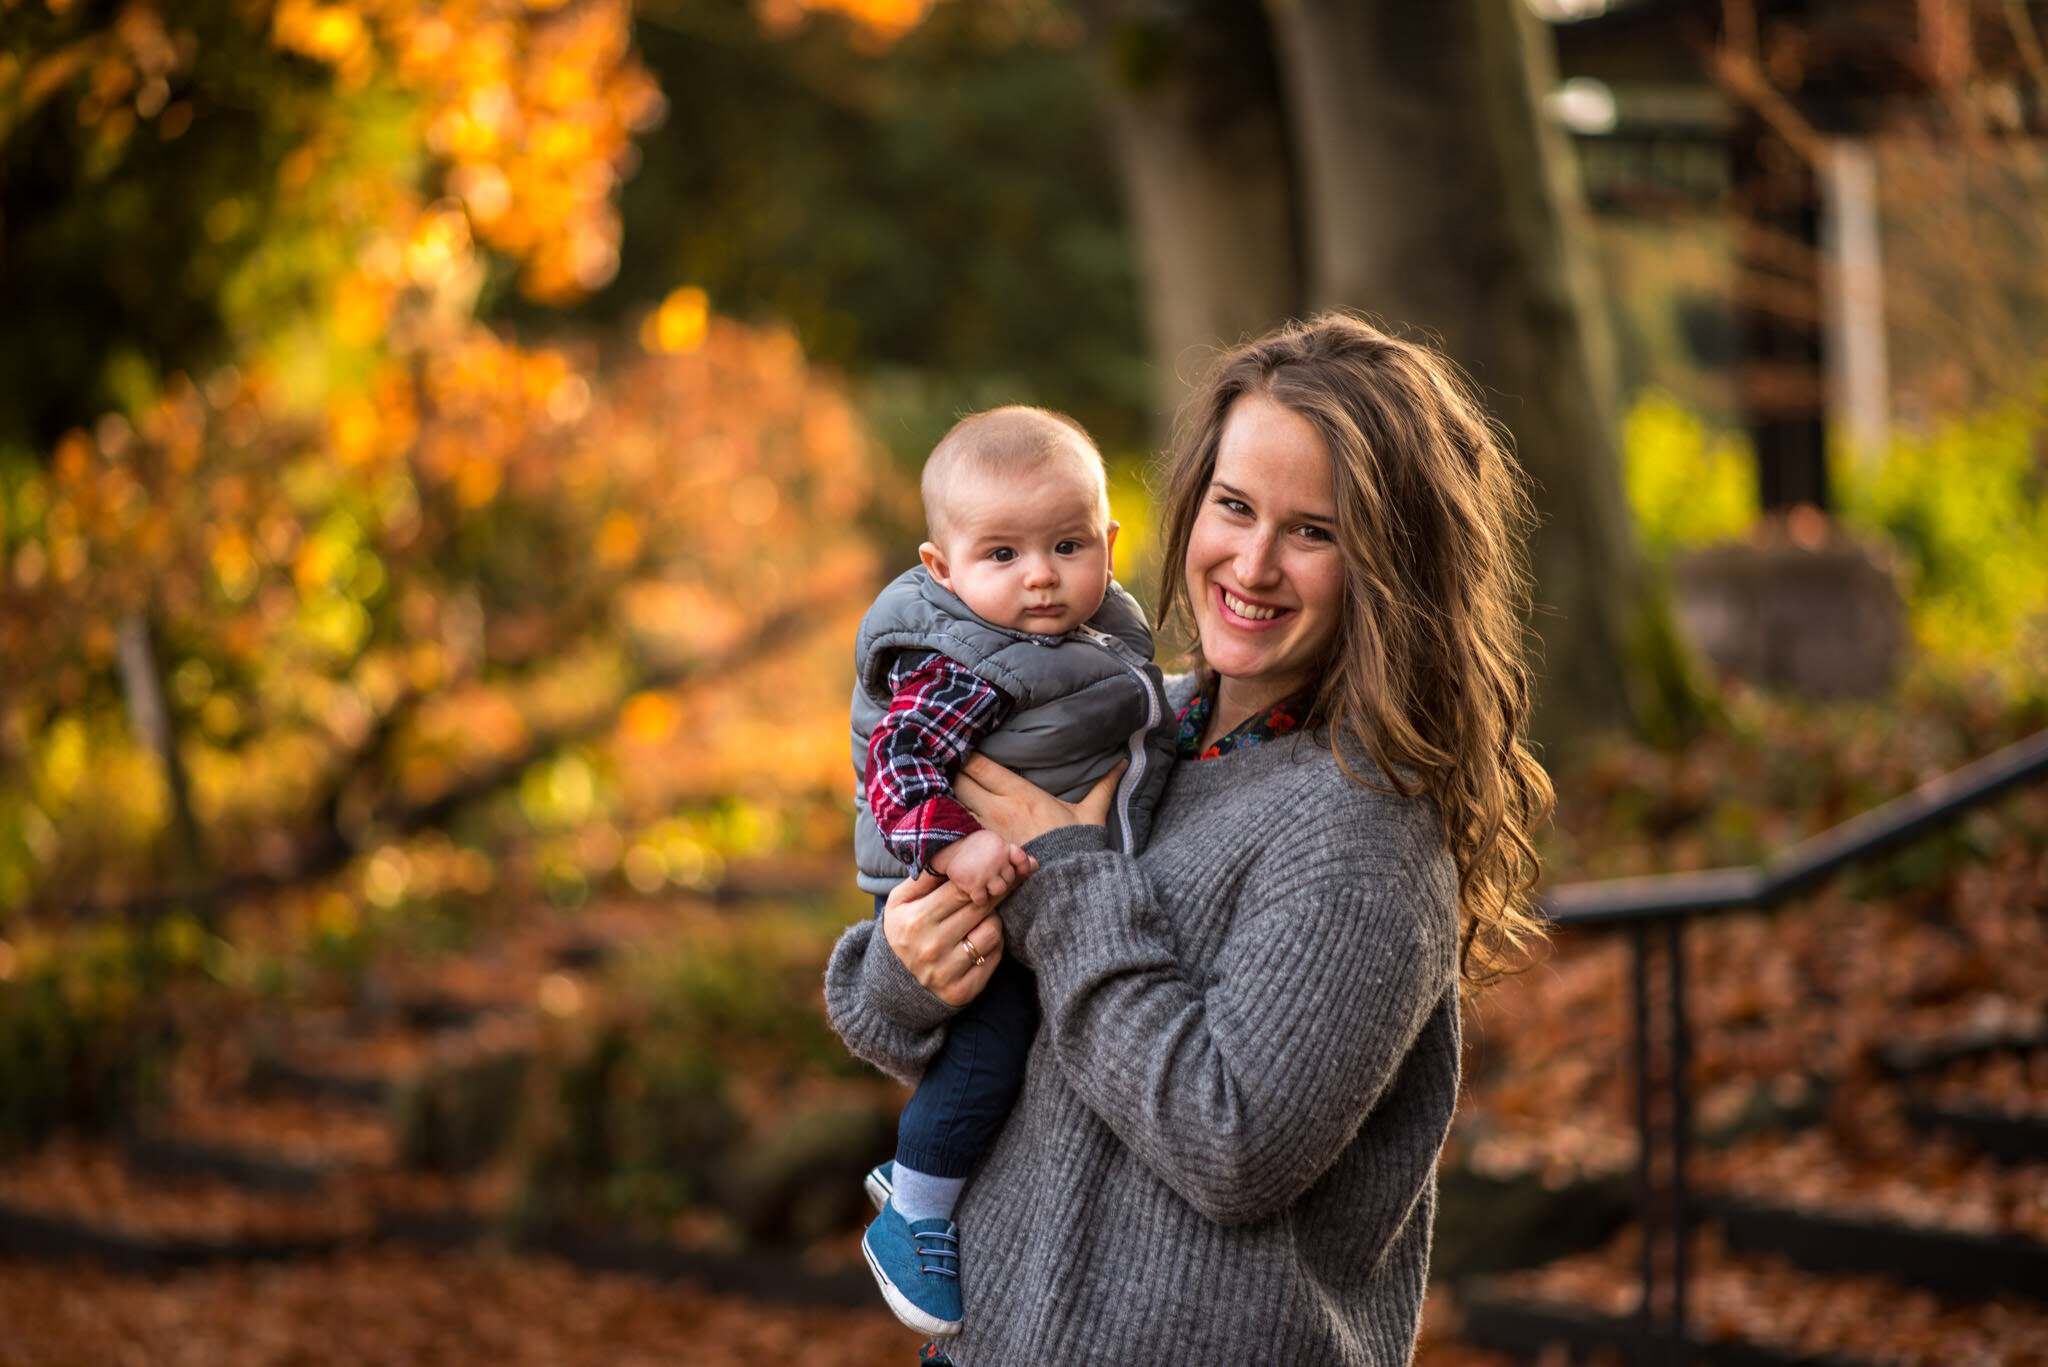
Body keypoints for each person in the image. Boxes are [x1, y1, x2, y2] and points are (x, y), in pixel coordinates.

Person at [826, 313, 1555, 1365]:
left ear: (1391, 565)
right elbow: (916, 1018)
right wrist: (903, 973)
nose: (1251, 562)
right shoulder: (1118, 732)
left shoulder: (1362, 827)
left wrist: (1068, 886)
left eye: (1314, 529)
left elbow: (1233, 1145)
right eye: (1234, 505)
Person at [848, 405, 1175, 1337]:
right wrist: (957, 844)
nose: (1040, 574)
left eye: (1067, 543)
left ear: (1111, 541)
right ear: (941, 570)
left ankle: (927, 1162)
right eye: (1003, 554)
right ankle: (914, 1209)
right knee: (998, 1037)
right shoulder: (966, 660)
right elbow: (898, 765)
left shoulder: (1090, 641)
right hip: (959, 887)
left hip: (1016, 883)